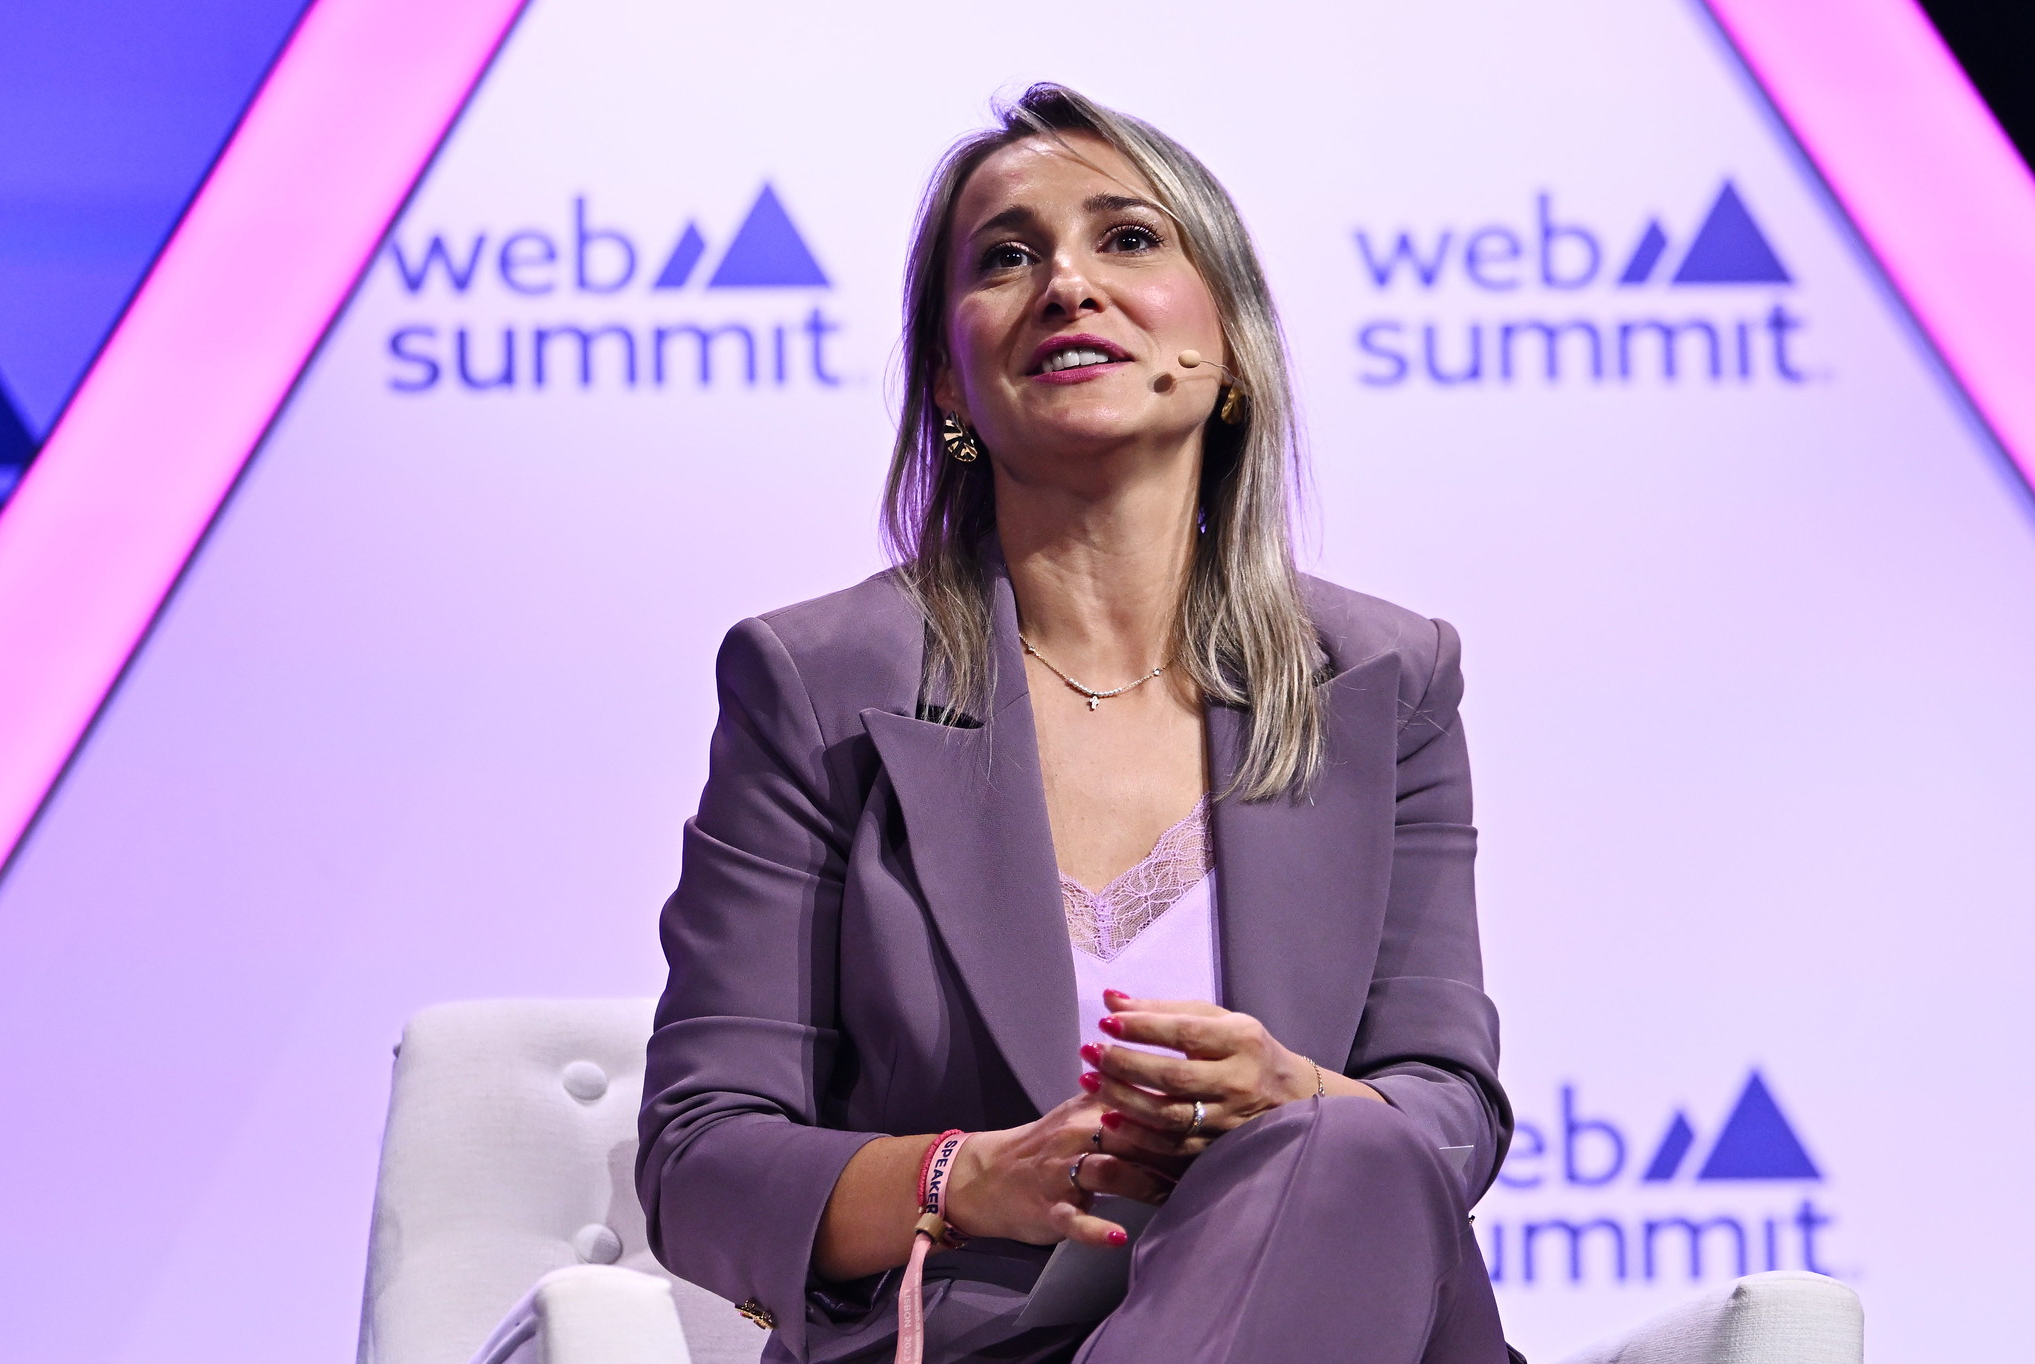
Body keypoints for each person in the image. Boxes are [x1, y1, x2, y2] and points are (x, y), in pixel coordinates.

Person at [637, 83, 1512, 1364]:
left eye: (1130, 239)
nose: (1066, 283)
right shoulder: (815, 683)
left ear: (1227, 344)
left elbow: (1445, 1107)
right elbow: (702, 1155)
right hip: (979, 1339)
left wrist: (1292, 1101)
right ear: (950, 371)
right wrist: (961, 1175)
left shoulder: (1385, 676)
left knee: (1352, 1141)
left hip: (1332, 1308)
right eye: (1005, 257)